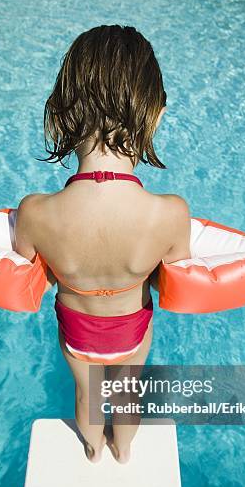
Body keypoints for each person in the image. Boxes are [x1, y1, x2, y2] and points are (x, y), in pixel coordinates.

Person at [14, 25, 190, 464]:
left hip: (77, 329)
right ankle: (123, 451)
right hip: (131, 328)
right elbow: (177, 278)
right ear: (156, 114)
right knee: (127, 396)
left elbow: (26, 271)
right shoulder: (168, 214)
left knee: (87, 397)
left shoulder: (37, 212)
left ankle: (92, 450)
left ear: (62, 110)